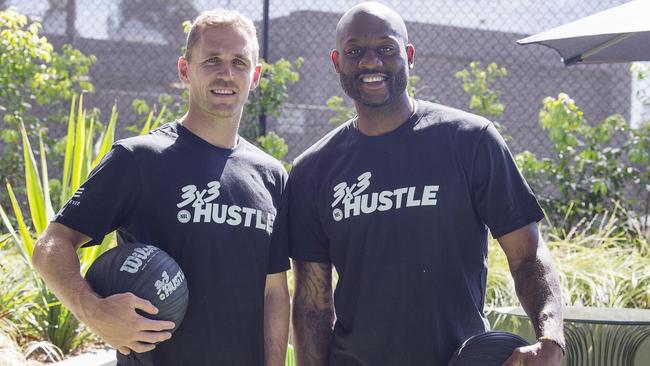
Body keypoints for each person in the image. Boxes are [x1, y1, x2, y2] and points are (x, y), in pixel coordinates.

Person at [283, 2, 565, 365]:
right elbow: (312, 304)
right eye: (355, 51)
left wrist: (551, 338)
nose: (371, 62)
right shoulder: (313, 170)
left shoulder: (471, 140)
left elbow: (527, 255)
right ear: (337, 62)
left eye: (386, 48)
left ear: (409, 56)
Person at [32, 9, 289, 366]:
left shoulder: (271, 175)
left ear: (256, 75)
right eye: (212, 60)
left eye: (239, 62)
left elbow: (274, 291)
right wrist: (93, 311)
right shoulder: (138, 159)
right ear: (185, 70)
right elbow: (51, 245)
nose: (226, 74)